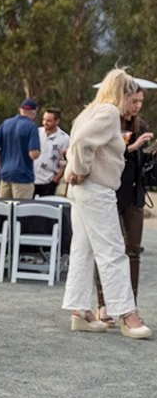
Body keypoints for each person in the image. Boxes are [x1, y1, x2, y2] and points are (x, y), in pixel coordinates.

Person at [61, 69, 151, 340]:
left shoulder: (90, 110)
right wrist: (80, 167)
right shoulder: (109, 113)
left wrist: (77, 170)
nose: (132, 104)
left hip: (81, 189)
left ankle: (80, 310)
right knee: (113, 251)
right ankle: (127, 314)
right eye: (130, 96)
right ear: (122, 93)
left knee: (83, 250)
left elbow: (79, 139)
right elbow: (81, 142)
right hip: (96, 188)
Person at [94, 83, 153, 325]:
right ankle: (104, 304)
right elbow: (105, 155)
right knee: (108, 250)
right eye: (134, 101)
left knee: (133, 251)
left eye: (141, 102)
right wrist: (131, 148)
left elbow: (140, 165)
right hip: (109, 192)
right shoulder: (107, 121)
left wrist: (148, 154)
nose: (137, 106)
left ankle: (131, 305)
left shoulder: (142, 126)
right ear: (123, 99)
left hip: (134, 196)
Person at [0, 99, 40, 199]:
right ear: (34, 112)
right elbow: (33, 153)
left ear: (21, 110)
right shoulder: (31, 126)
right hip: (23, 176)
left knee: (5, 210)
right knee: (21, 211)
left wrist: (1, 165)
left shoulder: (6, 123)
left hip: (6, 174)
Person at [33, 108, 69, 197]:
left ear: (57, 121)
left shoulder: (64, 138)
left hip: (48, 180)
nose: (45, 123)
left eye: (49, 121)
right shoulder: (36, 133)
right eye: (44, 120)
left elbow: (66, 162)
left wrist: (56, 179)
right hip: (32, 179)